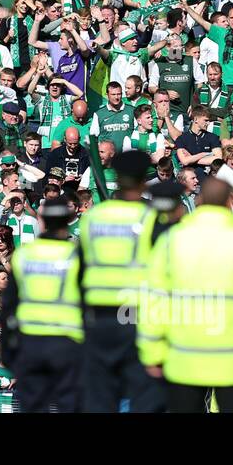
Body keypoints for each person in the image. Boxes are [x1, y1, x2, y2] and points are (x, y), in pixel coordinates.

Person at [138, 178, 233, 413]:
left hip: (183, 359)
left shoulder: (172, 239)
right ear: (230, 201)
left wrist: (151, 351)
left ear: (199, 200)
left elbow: (155, 299)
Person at [75, 150, 166, 413]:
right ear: (142, 181)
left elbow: (79, 271)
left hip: (98, 318)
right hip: (135, 316)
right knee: (143, 395)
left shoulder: (93, 217)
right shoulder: (151, 218)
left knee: (100, 394)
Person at [1, 198, 85, 412]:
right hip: (67, 342)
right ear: (67, 221)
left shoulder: (24, 255)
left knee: (33, 405)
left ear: (42, 221)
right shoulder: (76, 256)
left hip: (30, 341)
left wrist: (9, 348)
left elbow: (9, 305)